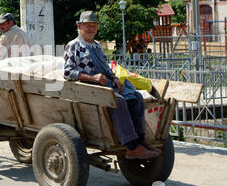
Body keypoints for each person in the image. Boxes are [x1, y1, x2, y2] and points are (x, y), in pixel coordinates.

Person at [63, 11, 159, 159]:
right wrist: (93, 78)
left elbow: (106, 68)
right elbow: (68, 73)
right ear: (79, 26)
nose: (91, 29)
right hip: (87, 88)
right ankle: (132, 147)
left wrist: (115, 78)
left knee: (136, 97)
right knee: (117, 100)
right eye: (87, 26)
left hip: (105, 84)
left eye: (94, 26)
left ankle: (140, 140)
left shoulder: (97, 46)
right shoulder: (73, 45)